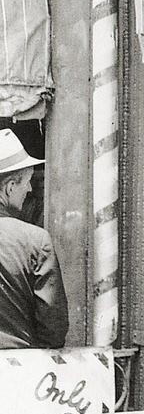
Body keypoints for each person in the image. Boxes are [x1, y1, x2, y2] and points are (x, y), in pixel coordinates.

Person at [0, 128, 67, 349]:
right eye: (26, 182)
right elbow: (53, 329)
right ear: (10, 187)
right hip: (19, 371)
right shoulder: (36, 241)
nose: (29, 189)